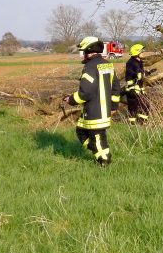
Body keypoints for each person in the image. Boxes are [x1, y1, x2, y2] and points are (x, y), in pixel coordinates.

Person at [63, 36, 121, 165]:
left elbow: (85, 92)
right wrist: (113, 107)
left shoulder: (90, 67)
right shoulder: (107, 65)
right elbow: (116, 88)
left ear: (89, 51)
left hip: (94, 111)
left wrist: (71, 99)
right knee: (81, 131)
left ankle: (104, 161)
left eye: (83, 52)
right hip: (103, 110)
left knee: (97, 138)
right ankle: (97, 151)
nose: (82, 55)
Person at [122, 43, 150, 125]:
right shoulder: (130, 62)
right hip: (132, 89)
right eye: (141, 51)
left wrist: (146, 73)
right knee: (133, 107)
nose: (143, 53)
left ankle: (142, 122)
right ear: (136, 52)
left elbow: (140, 73)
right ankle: (132, 124)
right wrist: (138, 75)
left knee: (145, 105)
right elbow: (132, 74)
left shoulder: (139, 62)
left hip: (139, 88)